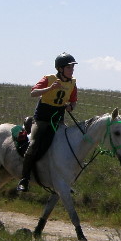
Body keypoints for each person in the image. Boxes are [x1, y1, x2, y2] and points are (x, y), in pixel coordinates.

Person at [16, 52, 79, 192]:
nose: (72, 70)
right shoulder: (48, 79)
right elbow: (33, 93)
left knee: (67, 145)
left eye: (72, 68)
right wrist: (50, 89)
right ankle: (24, 179)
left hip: (58, 120)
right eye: (69, 67)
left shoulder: (72, 83)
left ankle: (64, 181)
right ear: (60, 69)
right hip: (42, 120)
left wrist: (71, 107)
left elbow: (73, 101)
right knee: (33, 146)